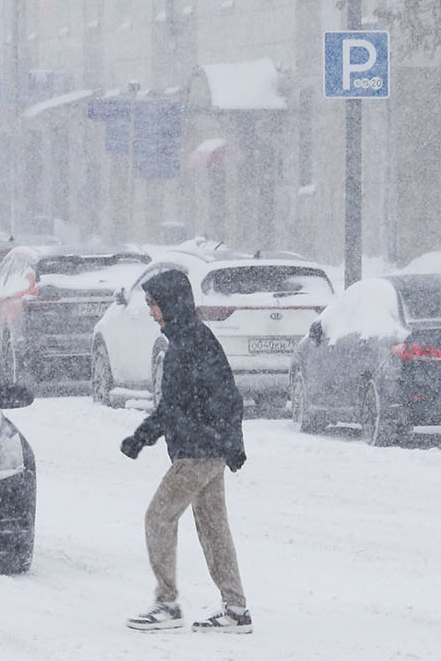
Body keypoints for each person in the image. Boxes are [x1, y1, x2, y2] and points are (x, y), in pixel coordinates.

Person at [119, 270, 251, 634]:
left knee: (158, 517)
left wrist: (232, 442)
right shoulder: (185, 341)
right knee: (213, 527)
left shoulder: (193, 343)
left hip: (199, 451)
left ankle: (166, 602)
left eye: (153, 305)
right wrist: (142, 436)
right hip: (206, 448)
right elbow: (175, 406)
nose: (151, 313)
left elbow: (226, 397)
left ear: (170, 304)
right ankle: (236, 609)